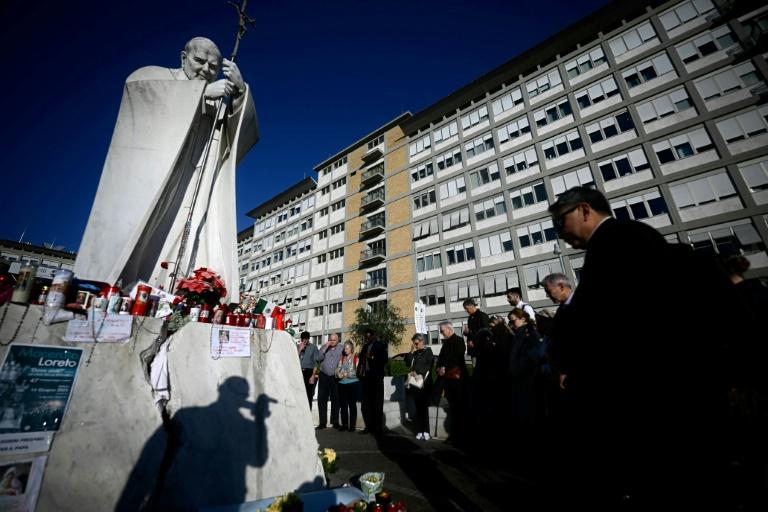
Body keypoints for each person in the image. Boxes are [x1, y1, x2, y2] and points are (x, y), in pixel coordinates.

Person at [548, 186, 729, 507]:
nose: (560, 234)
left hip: (650, 391)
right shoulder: (629, 237)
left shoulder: (614, 244)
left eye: (561, 223)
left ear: (585, 210)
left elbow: (613, 325)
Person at [75, 37, 259, 299]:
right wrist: (199, 94)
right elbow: (138, 95)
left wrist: (240, 92)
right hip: (155, 182)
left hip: (194, 186)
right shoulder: (154, 77)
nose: (206, 70)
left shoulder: (218, 102)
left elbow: (242, 138)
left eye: (213, 67)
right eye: (200, 61)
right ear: (183, 57)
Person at [435, 321, 468, 445]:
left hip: (457, 379)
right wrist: (438, 368)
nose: (441, 333)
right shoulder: (446, 343)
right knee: (453, 408)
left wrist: (445, 368)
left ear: (449, 329)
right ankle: (454, 435)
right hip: (447, 380)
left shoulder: (458, 340)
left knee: (459, 408)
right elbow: (440, 358)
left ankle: (460, 436)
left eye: (442, 331)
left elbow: (457, 358)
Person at [357, 329, 387, 435]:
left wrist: (372, 357)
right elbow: (361, 361)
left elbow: (384, 359)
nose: (367, 338)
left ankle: (378, 428)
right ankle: (368, 426)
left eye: (369, 336)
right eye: (366, 336)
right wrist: (359, 372)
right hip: (366, 378)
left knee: (377, 403)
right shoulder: (365, 347)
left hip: (376, 378)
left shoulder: (380, 345)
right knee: (366, 404)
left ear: (374, 336)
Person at [404, 333, 434, 441]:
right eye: (414, 343)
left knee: (424, 408)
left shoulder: (428, 351)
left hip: (425, 384)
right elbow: (407, 363)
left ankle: (426, 431)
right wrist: (411, 352)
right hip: (416, 384)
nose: (415, 345)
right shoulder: (415, 353)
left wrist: (417, 372)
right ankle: (419, 430)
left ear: (422, 342)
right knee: (418, 408)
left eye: (416, 343)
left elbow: (429, 365)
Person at [315, 333, 343, 430]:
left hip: (335, 376)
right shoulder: (324, 347)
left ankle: (335, 422)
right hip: (324, 375)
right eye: (330, 339)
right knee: (322, 399)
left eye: (334, 340)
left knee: (336, 399)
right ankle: (322, 423)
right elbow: (318, 358)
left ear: (338, 340)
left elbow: (345, 359)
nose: (332, 341)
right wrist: (325, 348)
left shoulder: (341, 348)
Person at [335, 341, 360, 432]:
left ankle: (352, 426)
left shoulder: (356, 358)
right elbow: (337, 368)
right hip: (342, 384)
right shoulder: (342, 358)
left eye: (347, 348)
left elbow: (357, 372)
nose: (345, 350)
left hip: (352, 384)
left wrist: (346, 374)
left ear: (351, 349)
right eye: (344, 348)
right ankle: (344, 424)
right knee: (343, 405)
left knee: (352, 405)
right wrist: (338, 374)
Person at [297, 331, 321, 410]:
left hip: (309, 372)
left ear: (309, 339)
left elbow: (316, 363)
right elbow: (293, 359)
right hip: (299, 372)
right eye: (303, 339)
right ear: (301, 339)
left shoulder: (313, 347)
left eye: (306, 339)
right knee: (299, 392)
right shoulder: (297, 347)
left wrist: (313, 375)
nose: (305, 341)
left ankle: (308, 411)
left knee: (309, 394)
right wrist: (299, 350)